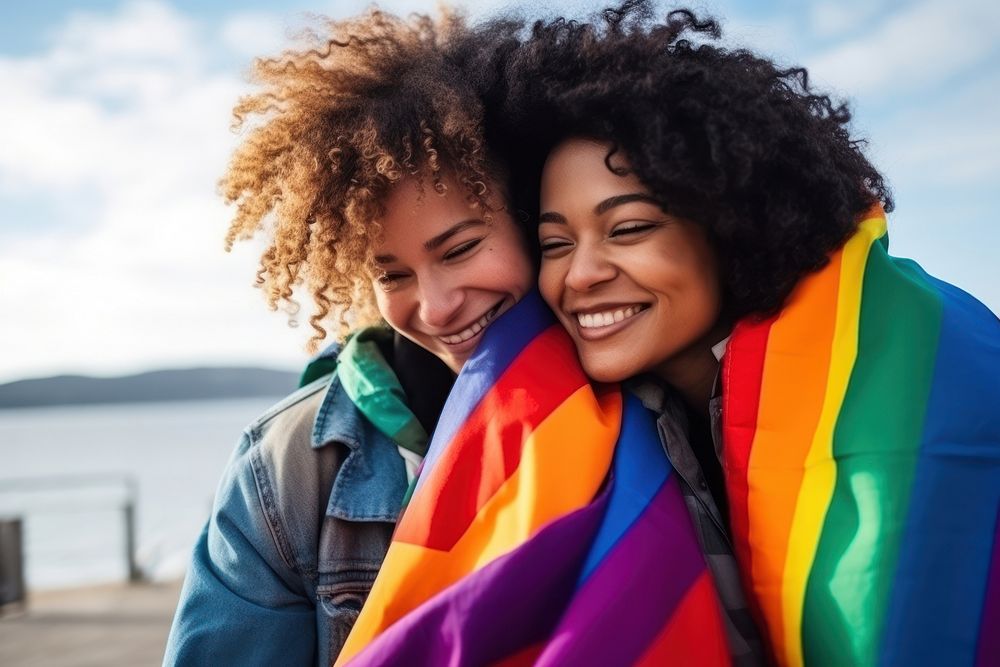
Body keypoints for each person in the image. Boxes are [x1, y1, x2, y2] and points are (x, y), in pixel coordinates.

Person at [492, 2, 1000, 665]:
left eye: (630, 228)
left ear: (728, 224)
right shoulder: (602, 422)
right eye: (555, 243)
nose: (581, 275)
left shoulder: (913, 368)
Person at [163, 8, 532, 665]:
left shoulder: (651, 399)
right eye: (393, 273)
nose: (437, 307)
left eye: (462, 247)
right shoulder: (287, 472)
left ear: (534, 215)